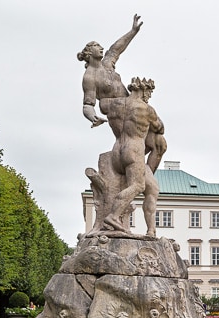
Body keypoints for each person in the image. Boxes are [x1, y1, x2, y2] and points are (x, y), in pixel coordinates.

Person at [78, 14, 167, 234]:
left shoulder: (108, 64)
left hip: (127, 118)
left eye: (100, 46)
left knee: (159, 144)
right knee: (137, 181)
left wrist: (133, 31)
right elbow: (88, 103)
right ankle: (113, 216)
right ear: (89, 54)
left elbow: (117, 48)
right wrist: (93, 117)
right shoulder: (90, 76)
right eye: (96, 47)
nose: (101, 49)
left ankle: (150, 225)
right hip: (116, 110)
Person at [101, 77, 165, 235]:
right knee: (138, 186)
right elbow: (160, 128)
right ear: (143, 90)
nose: (149, 96)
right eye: (149, 92)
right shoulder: (146, 109)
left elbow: (102, 106)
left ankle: (151, 230)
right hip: (134, 149)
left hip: (116, 150)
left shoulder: (114, 104)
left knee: (152, 188)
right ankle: (113, 216)